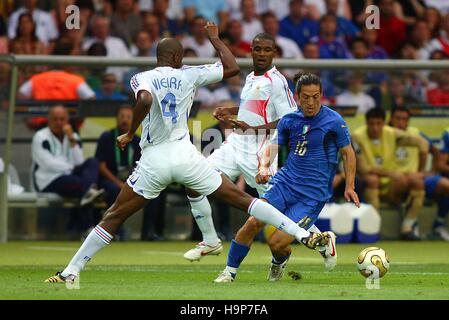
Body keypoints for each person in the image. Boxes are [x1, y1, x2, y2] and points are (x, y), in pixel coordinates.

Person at [45, 22, 329, 284]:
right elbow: (230, 67)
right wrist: (215, 40)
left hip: (155, 160)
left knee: (114, 215)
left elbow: (144, 98)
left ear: (158, 57)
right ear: (178, 58)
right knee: (245, 200)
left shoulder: (140, 77)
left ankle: (71, 270)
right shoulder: (189, 74)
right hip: (186, 156)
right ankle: (300, 233)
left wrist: (131, 132)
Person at [213, 72, 360, 283]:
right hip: (284, 183)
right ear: (297, 97)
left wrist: (350, 185)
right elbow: (272, 147)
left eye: (316, 97)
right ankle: (229, 272)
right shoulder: (289, 120)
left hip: (312, 195)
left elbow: (348, 152)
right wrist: (263, 168)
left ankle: (286, 258)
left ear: (321, 96)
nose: (311, 102)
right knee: (253, 222)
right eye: (306, 97)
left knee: (277, 243)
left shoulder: (334, 121)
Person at [183, 32, 298, 262]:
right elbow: (251, 106)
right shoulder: (251, 77)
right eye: (258, 49)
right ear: (251, 51)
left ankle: (316, 238)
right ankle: (210, 240)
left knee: (277, 207)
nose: (262, 54)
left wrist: (253, 129)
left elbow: (290, 121)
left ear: (274, 53)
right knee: (193, 180)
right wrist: (231, 110)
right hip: (235, 144)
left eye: (267, 49)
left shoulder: (277, 81)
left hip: (260, 151)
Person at [352, 108, 429, 240]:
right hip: (364, 183)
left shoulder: (392, 133)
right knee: (372, 179)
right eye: (372, 124)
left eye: (378, 124)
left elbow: (423, 143)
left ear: (384, 123)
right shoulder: (357, 137)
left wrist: (420, 172)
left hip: (390, 184)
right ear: (366, 123)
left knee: (417, 182)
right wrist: (391, 173)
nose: (375, 128)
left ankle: (407, 227)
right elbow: (364, 169)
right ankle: (373, 228)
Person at [390, 107, 449, 241]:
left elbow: (436, 152)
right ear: (391, 119)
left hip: (417, 177)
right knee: (410, 181)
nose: (401, 122)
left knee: (445, 185)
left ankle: (438, 224)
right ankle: (410, 222)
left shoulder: (416, 133)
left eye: (404, 119)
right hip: (395, 179)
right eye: (397, 118)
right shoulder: (385, 133)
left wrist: (430, 172)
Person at [31, 105, 104, 206]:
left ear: (67, 120)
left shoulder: (73, 136)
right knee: (77, 184)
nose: (59, 122)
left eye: (62, 119)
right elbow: (48, 164)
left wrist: (71, 138)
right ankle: (89, 191)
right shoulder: (40, 136)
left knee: (92, 162)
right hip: (49, 180)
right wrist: (71, 167)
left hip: (71, 176)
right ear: (49, 120)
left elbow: (79, 161)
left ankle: (87, 193)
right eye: (55, 119)